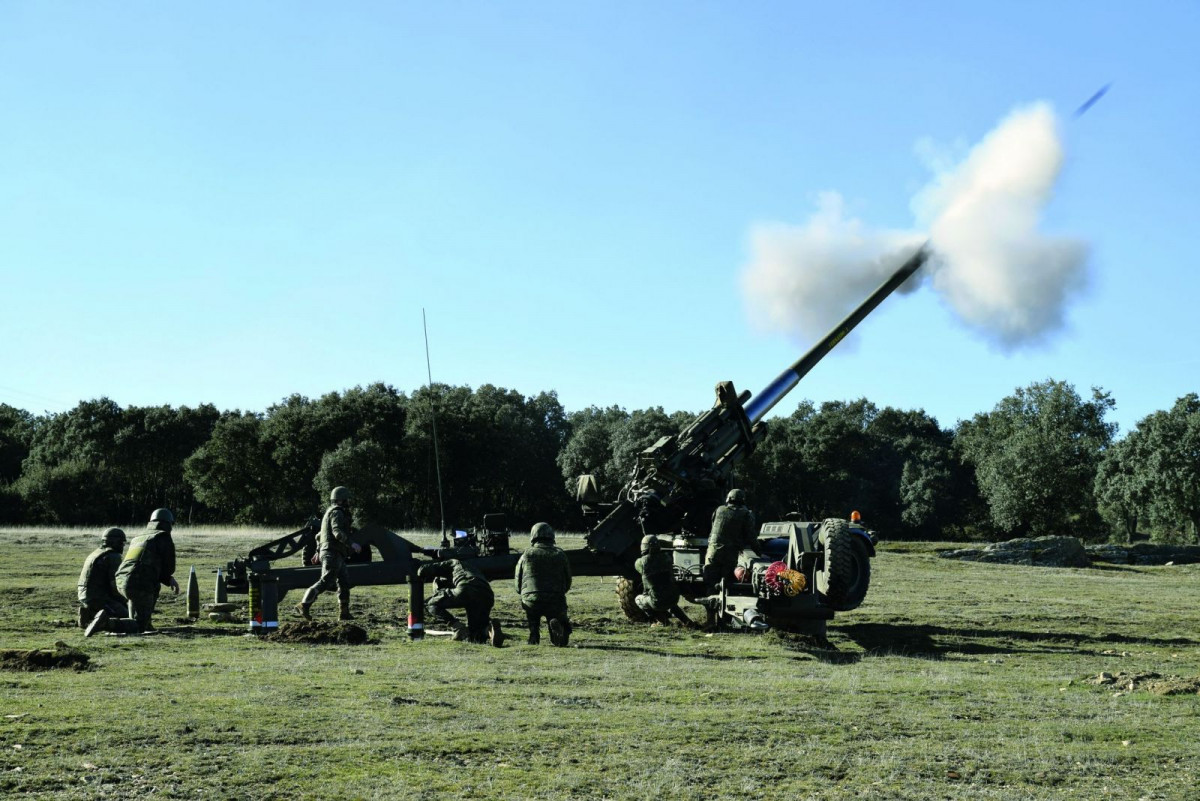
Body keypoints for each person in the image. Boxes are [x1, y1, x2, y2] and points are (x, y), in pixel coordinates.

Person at [88, 509, 180, 635]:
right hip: (139, 583)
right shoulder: (163, 537)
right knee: (138, 626)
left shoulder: (139, 537)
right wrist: (168, 577)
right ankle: (107, 623)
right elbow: (169, 567)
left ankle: (145, 623)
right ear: (168, 523)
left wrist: (167, 579)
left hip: (122, 580)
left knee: (151, 588)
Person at [294, 486, 361, 621]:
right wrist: (351, 543)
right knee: (326, 580)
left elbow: (319, 536)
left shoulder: (328, 513)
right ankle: (304, 604)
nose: (349, 502)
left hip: (335, 553)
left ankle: (344, 613)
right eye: (347, 499)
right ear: (341, 500)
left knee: (344, 583)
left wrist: (318, 552)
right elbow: (337, 532)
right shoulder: (337, 513)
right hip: (333, 552)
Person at [418, 559, 502, 646]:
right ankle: (489, 630)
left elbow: (423, 570)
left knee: (430, 604)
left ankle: (458, 628)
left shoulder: (452, 563)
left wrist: (416, 575)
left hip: (467, 588)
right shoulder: (470, 568)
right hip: (487, 594)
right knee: (475, 634)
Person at [514, 522, 572, 646]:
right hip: (555, 599)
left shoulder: (526, 554)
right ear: (552, 536)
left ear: (533, 536)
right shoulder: (560, 554)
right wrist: (561, 592)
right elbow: (568, 580)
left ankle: (534, 634)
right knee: (557, 615)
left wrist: (523, 593)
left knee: (533, 616)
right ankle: (558, 628)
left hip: (531, 598)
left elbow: (517, 579)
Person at [634, 534, 695, 628]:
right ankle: (687, 622)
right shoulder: (667, 557)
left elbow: (640, 568)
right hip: (674, 597)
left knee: (638, 599)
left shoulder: (640, 562)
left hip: (657, 601)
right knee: (670, 603)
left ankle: (663, 621)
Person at [702, 489, 757, 592]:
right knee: (727, 583)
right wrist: (758, 551)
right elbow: (751, 536)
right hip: (730, 553)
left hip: (712, 551)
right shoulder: (745, 514)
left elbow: (713, 526)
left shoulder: (719, 510)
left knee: (710, 580)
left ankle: (710, 600)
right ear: (742, 501)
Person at [78, 528, 127, 630]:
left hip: (84, 595)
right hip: (98, 597)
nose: (123, 546)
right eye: (122, 543)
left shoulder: (96, 553)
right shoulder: (113, 556)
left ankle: (90, 612)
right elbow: (115, 586)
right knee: (128, 617)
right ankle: (93, 616)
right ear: (115, 542)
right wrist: (126, 599)